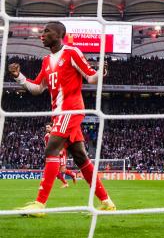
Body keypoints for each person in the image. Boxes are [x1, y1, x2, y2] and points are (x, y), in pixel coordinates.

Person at [9, 21, 115, 216]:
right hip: (58, 113)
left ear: (59, 35)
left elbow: (90, 77)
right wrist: (19, 77)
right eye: (42, 31)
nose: (42, 34)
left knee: (51, 148)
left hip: (70, 110)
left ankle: (39, 205)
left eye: (47, 31)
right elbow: (37, 88)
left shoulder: (72, 52)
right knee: (81, 157)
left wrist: (102, 71)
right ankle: (107, 202)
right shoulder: (46, 61)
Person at [44, 123, 78, 188]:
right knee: (55, 171)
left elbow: (63, 142)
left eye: (48, 127)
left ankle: (71, 175)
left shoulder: (57, 134)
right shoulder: (46, 136)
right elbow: (47, 146)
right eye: (46, 127)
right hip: (54, 154)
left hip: (61, 153)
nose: (47, 129)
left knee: (62, 170)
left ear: (52, 127)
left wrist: (61, 150)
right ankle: (66, 182)